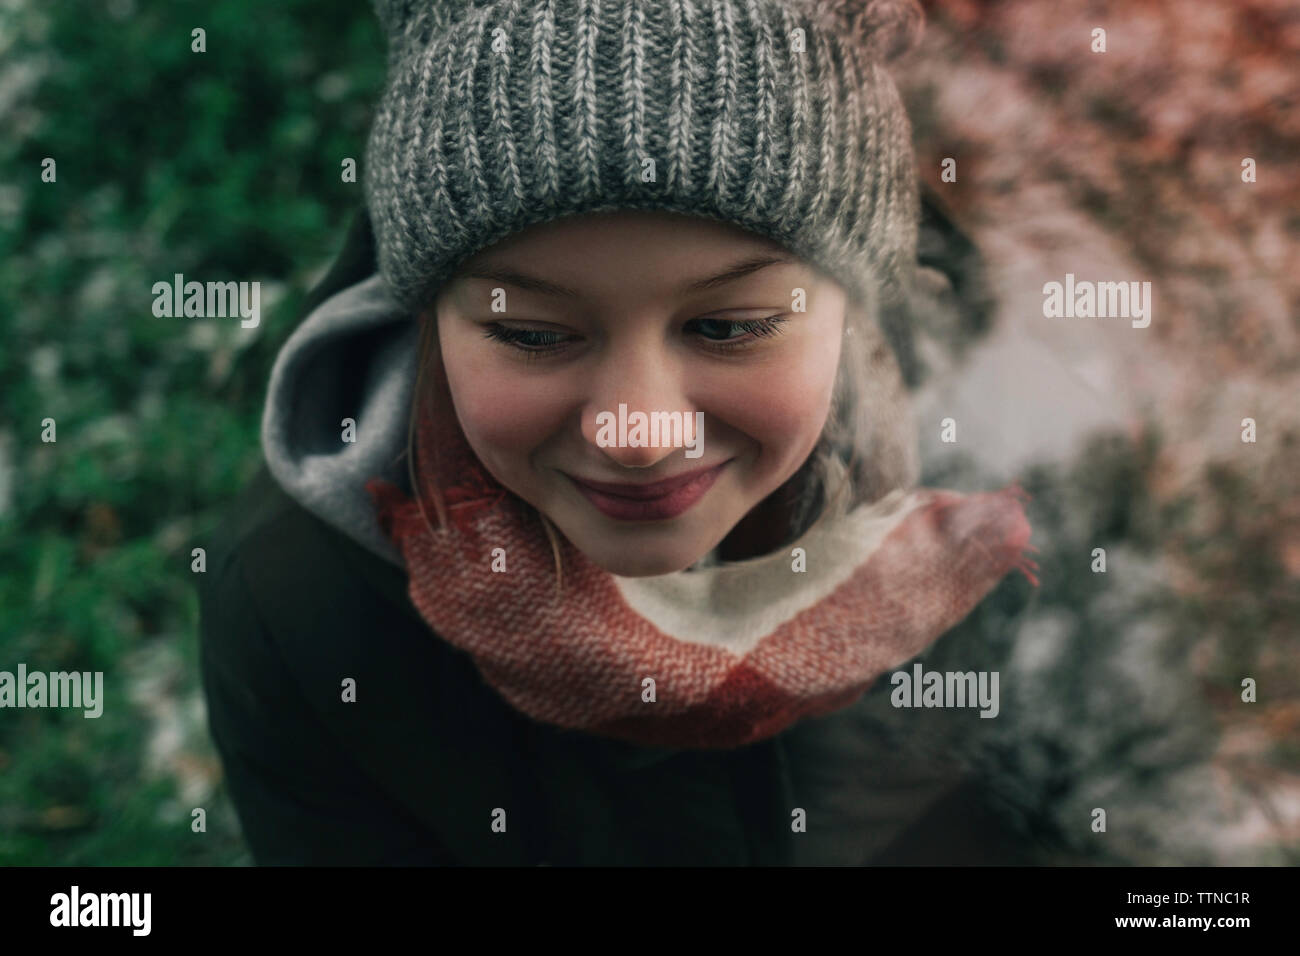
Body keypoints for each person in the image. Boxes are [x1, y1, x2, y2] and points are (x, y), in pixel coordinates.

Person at [197, 0, 1051, 865]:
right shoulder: (301, 606)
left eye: (727, 327)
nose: (637, 433)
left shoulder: (1027, 463)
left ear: (857, 304)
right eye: (532, 333)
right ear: (429, 317)